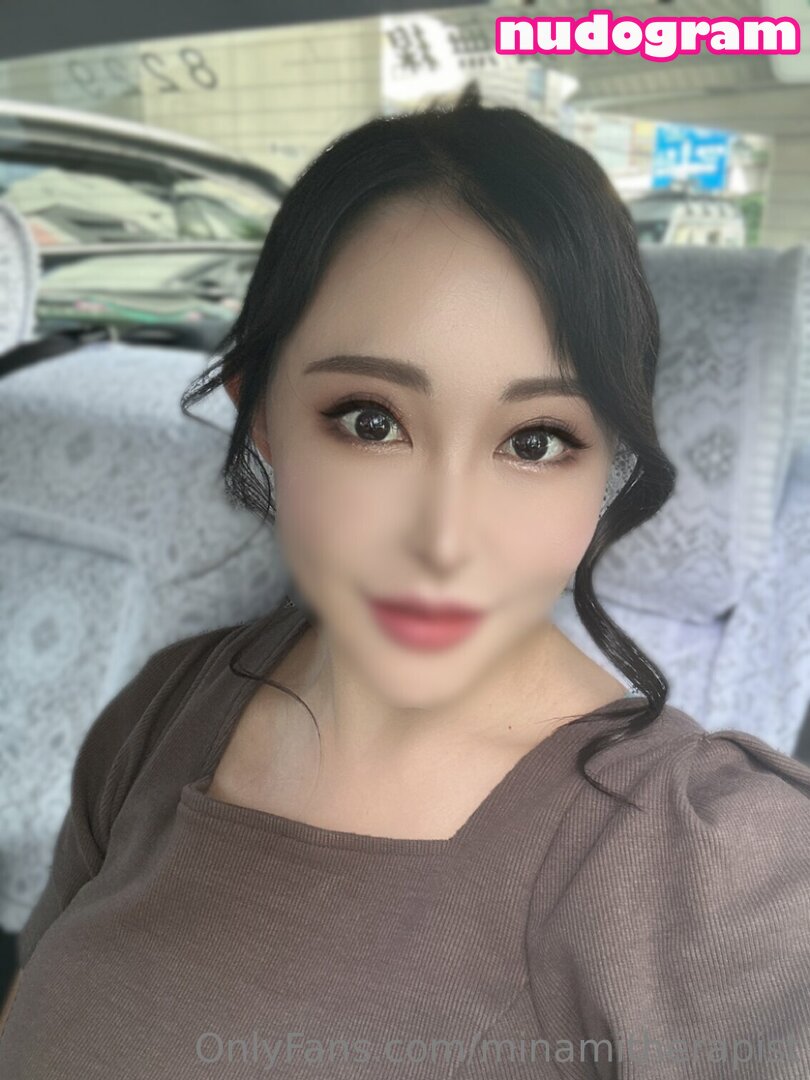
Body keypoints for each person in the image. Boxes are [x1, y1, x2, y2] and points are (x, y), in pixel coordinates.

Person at [2, 85, 809, 1079]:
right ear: (264, 420)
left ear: (609, 466)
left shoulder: (729, 870)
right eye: (372, 421)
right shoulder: (161, 710)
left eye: (535, 440)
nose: (444, 540)